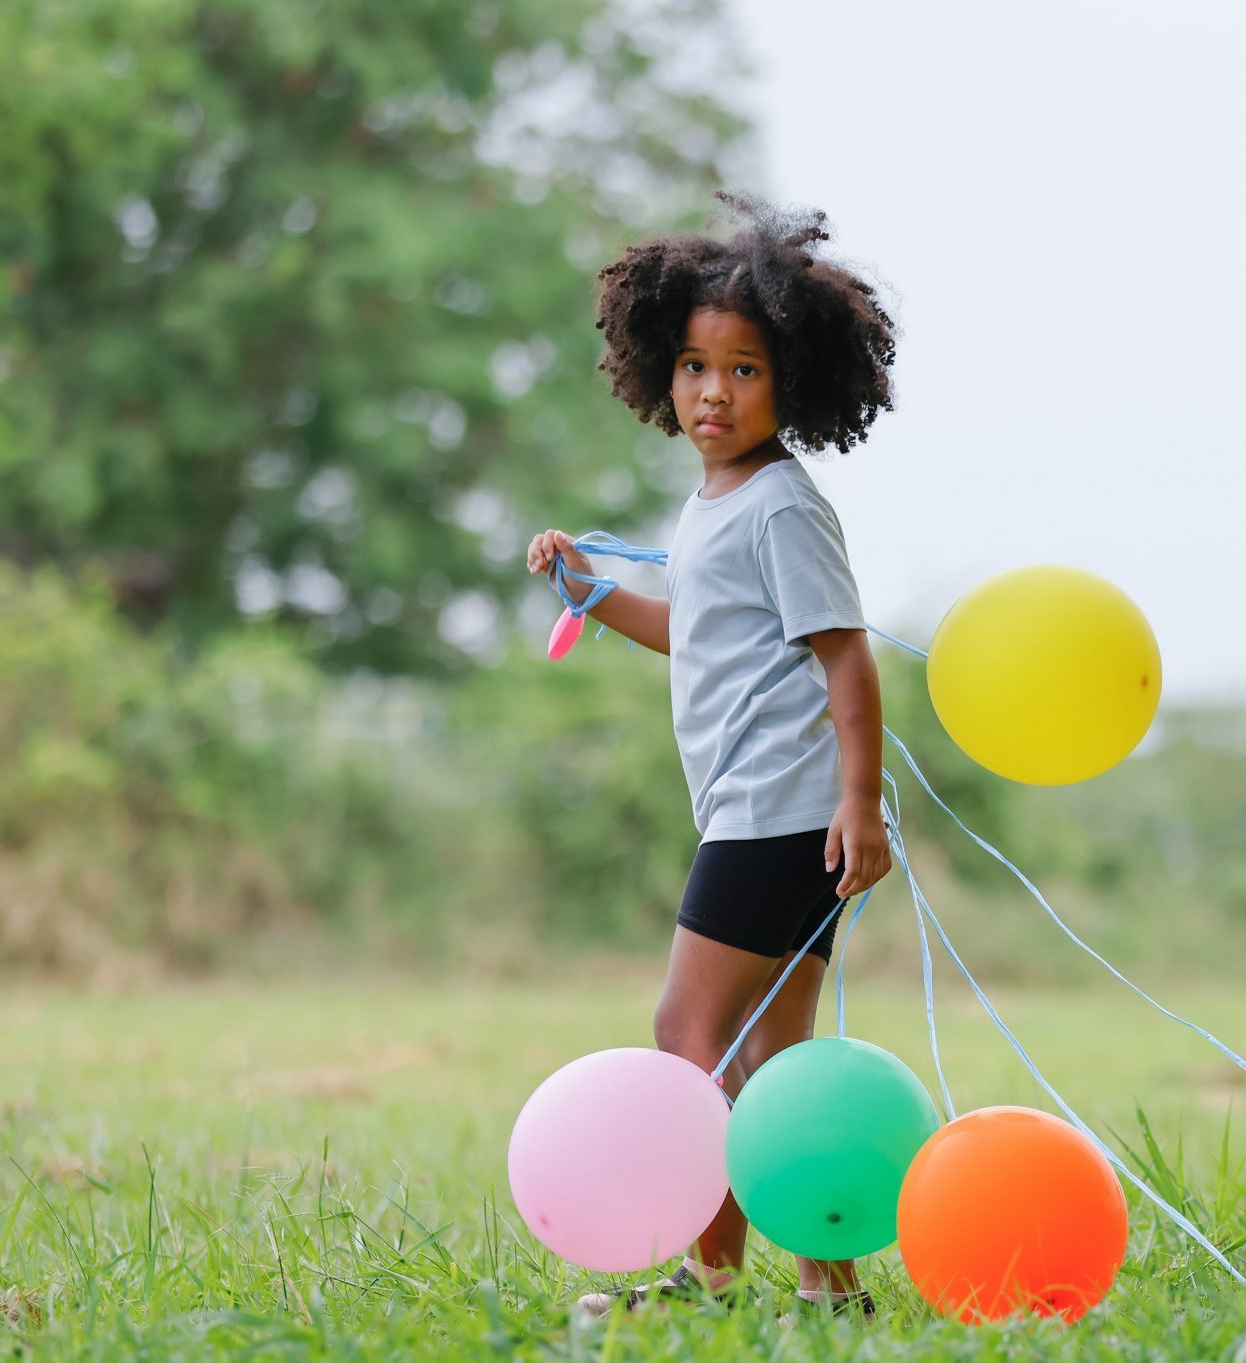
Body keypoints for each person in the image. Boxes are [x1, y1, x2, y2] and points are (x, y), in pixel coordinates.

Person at [524, 190, 898, 1321]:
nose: (712, 393)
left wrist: (861, 805)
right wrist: (590, 594)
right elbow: (697, 633)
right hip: (773, 816)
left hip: (777, 818)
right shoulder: (720, 505)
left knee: (687, 1036)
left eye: (743, 370)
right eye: (694, 366)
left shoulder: (781, 504)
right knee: (773, 1062)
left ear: (794, 379)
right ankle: (828, 1286)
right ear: (661, 373)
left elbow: (848, 661)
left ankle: (710, 1277)